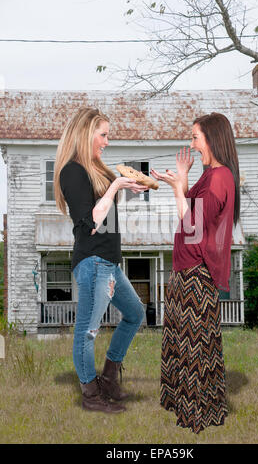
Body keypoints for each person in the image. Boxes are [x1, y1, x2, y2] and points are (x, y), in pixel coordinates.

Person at [150, 112, 240, 434]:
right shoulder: (210, 175)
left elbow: (193, 227)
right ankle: (197, 408)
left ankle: (196, 414)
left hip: (196, 276)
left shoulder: (219, 178)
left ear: (212, 139)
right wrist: (182, 180)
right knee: (189, 346)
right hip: (186, 270)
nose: (192, 144)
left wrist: (177, 188)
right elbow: (194, 214)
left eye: (195, 138)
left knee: (195, 350)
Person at [54, 107, 148, 413]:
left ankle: (108, 379)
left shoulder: (95, 168)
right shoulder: (72, 171)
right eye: (103, 135)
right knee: (87, 331)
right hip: (93, 261)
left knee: (135, 313)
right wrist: (117, 186)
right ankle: (91, 395)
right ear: (86, 133)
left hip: (109, 262)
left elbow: (106, 205)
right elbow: (90, 222)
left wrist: (127, 185)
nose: (106, 141)